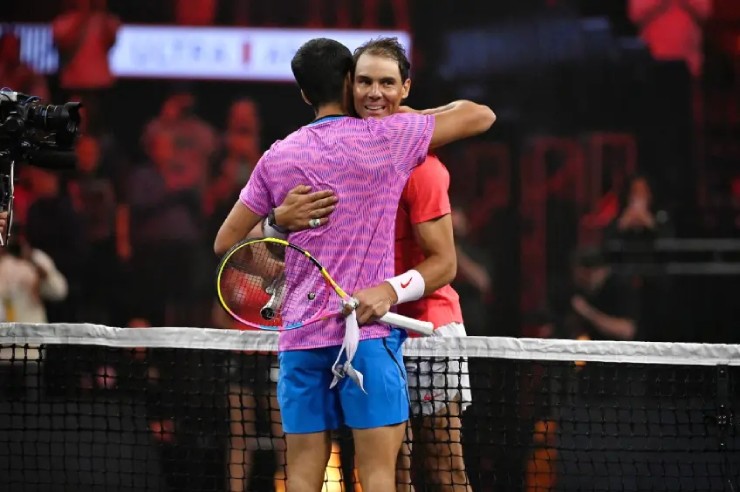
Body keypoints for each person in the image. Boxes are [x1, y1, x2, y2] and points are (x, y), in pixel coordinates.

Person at [214, 38, 494, 492]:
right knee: (383, 476)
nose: (374, 93)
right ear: (349, 84)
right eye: (365, 82)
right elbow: (481, 116)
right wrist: (410, 119)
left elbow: (226, 244)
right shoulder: (388, 140)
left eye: (386, 84)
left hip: (306, 339)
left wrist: (276, 222)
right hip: (366, 336)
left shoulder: (277, 155)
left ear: (303, 93)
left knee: (303, 475)